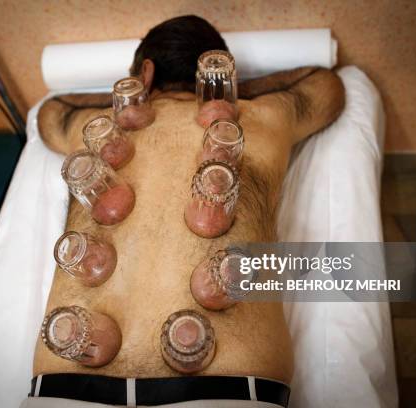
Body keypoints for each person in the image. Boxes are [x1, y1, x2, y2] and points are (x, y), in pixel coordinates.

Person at [28, 15, 344, 408]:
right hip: (226, 390)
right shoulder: (263, 118)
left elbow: (49, 112)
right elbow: (325, 84)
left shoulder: (94, 128)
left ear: (145, 73)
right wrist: (230, 94)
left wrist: (131, 96)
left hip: (65, 389)